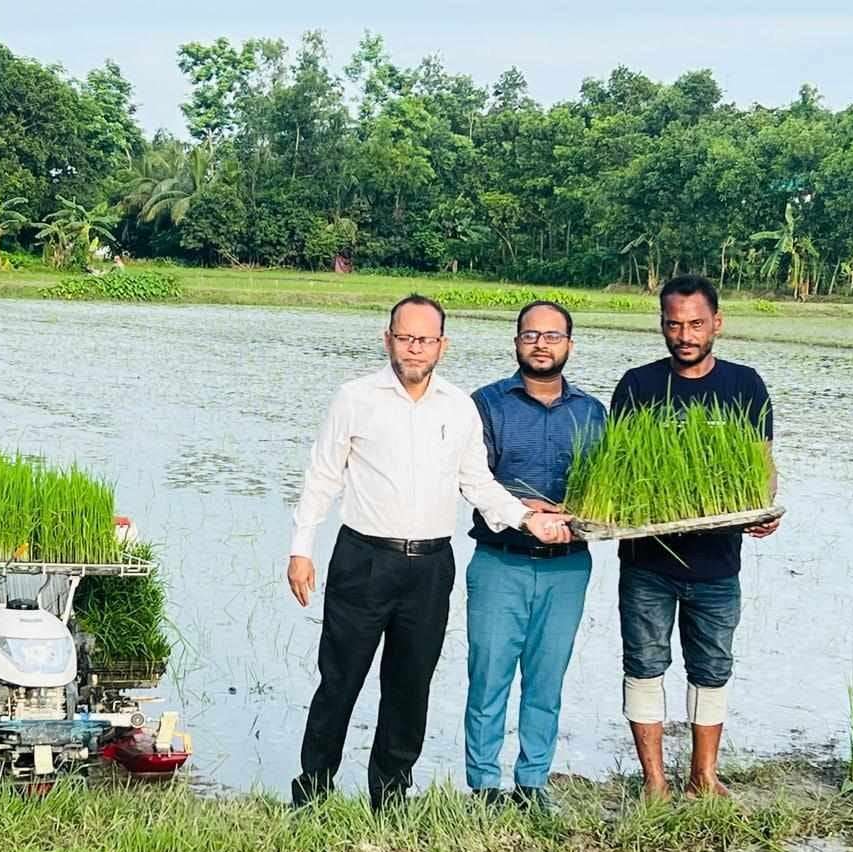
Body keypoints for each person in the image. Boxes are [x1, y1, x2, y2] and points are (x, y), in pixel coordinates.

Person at [286, 294, 574, 811]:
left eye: (425, 339)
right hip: (363, 559)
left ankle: (391, 797)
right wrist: (300, 550)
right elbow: (322, 476)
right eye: (405, 337)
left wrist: (530, 520)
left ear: (442, 344)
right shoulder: (355, 398)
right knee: (340, 680)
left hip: (431, 568)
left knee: (409, 685)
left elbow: (478, 484)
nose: (414, 348)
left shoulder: (458, 406)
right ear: (388, 339)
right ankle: (312, 793)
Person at [612, 274, 779, 800]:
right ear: (662, 324)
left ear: (717, 324)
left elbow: (763, 468)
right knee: (644, 665)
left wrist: (765, 510)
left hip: (717, 565)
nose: (684, 334)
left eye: (696, 324)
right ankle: (655, 782)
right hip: (647, 564)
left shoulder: (744, 385)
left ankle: (703, 777)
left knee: (712, 668)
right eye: (674, 324)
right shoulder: (637, 385)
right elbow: (615, 476)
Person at [464, 301, 606, 811]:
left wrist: (582, 509)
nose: (541, 344)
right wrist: (526, 509)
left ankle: (532, 783)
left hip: (568, 566)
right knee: (488, 675)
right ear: (516, 341)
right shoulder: (484, 405)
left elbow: (606, 485)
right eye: (531, 335)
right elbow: (473, 481)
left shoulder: (592, 412)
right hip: (501, 560)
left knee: (547, 678)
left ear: (570, 343)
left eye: (553, 335)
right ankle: (483, 787)